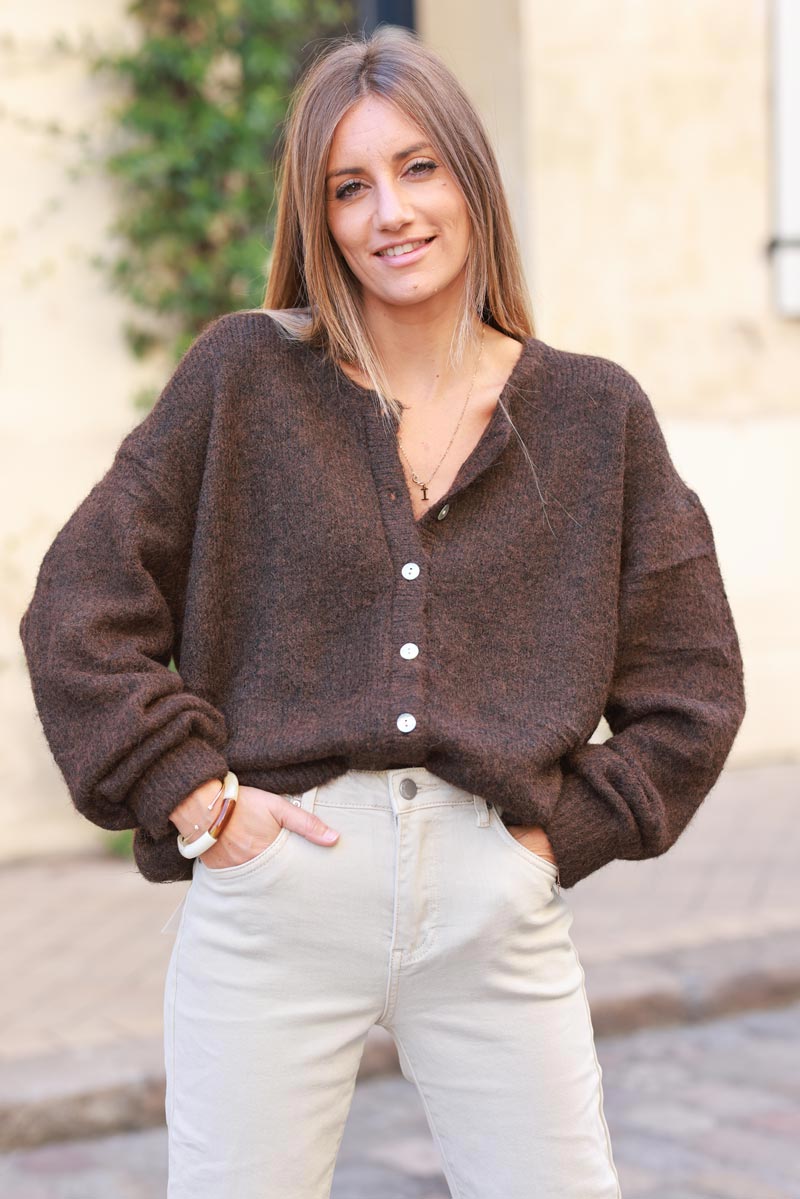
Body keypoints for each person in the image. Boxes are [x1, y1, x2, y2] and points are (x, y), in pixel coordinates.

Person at [18, 26, 745, 1199]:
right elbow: (77, 609)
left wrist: (555, 841)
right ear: (317, 221)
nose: (387, 212)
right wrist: (198, 802)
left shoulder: (594, 415)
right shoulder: (243, 377)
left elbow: (693, 686)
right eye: (346, 187)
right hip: (275, 891)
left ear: (470, 179)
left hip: (491, 901)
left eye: (417, 168)